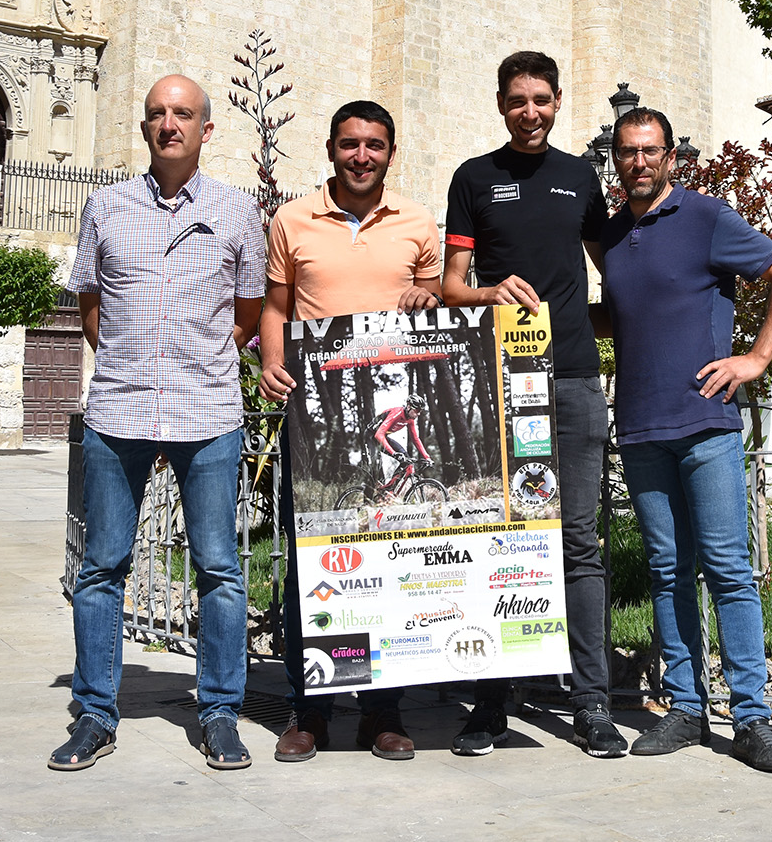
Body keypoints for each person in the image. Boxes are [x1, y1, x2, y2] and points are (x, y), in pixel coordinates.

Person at [51, 74, 267, 771]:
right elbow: (90, 303)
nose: (169, 123)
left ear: (207, 129)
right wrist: (130, 357)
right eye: (157, 114)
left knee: (220, 568)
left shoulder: (239, 211)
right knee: (102, 565)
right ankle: (94, 712)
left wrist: (196, 360)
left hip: (207, 411)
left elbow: (247, 311)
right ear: (144, 128)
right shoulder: (106, 206)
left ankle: (220, 712)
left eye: (183, 113)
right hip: (120, 409)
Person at [599, 106, 772, 773]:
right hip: (639, 427)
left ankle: (753, 718)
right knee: (668, 572)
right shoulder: (609, 235)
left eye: (650, 150)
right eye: (628, 151)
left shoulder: (706, 217)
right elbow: (622, 314)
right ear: (615, 157)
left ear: (671, 156)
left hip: (707, 423)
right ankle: (686, 709)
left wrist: (756, 358)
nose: (639, 161)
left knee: (728, 572)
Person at [440, 51, 627, 758]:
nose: (530, 111)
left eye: (542, 100)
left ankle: (592, 706)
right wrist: (489, 292)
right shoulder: (473, 178)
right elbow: (450, 283)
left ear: (558, 102)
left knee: (579, 543)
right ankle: (490, 703)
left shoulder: (582, 178)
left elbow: (617, 266)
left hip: (575, 379)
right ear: (499, 103)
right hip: (497, 381)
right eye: (518, 100)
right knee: (500, 539)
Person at [258, 99, 442, 762]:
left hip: (393, 424)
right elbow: (275, 307)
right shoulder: (292, 219)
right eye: (349, 144)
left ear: (391, 152)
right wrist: (272, 363)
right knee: (313, 566)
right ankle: (307, 712)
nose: (361, 155)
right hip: (316, 424)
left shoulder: (419, 223)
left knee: (387, 564)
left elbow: (432, 309)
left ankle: (382, 714)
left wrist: (429, 297)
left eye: (374, 144)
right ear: (331, 148)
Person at [373, 396, 433, 487]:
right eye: (417, 411)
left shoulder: (410, 420)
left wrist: (427, 457)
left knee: (406, 461)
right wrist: (393, 453)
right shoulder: (397, 413)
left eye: (420, 411)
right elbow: (378, 434)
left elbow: (415, 439)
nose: (419, 414)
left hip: (383, 438)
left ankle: (389, 490)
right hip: (371, 437)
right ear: (408, 407)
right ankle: (368, 499)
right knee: (373, 470)